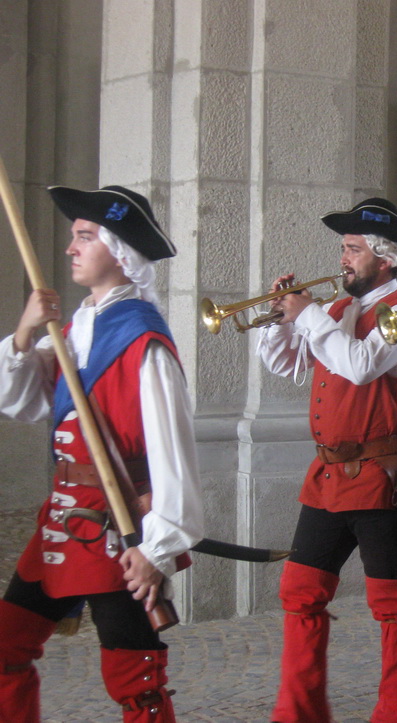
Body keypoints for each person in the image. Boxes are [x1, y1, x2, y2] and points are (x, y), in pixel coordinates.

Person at [0, 185, 204, 722]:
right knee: (5, 648)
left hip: (116, 532)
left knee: (136, 682)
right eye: (73, 237)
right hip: (64, 521)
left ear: (120, 252)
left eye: (84, 237)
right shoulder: (75, 328)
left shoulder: (143, 342)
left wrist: (155, 549)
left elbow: (173, 458)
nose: (70, 248)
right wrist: (23, 333)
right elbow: (19, 401)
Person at [259, 198, 397, 723]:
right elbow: (284, 363)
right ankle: (299, 712)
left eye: (353, 249)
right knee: (300, 590)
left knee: (392, 599)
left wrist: (308, 314)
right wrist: (280, 319)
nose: (343, 259)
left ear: (386, 259)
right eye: (343, 248)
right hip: (329, 474)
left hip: (382, 474)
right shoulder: (334, 311)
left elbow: (358, 366)